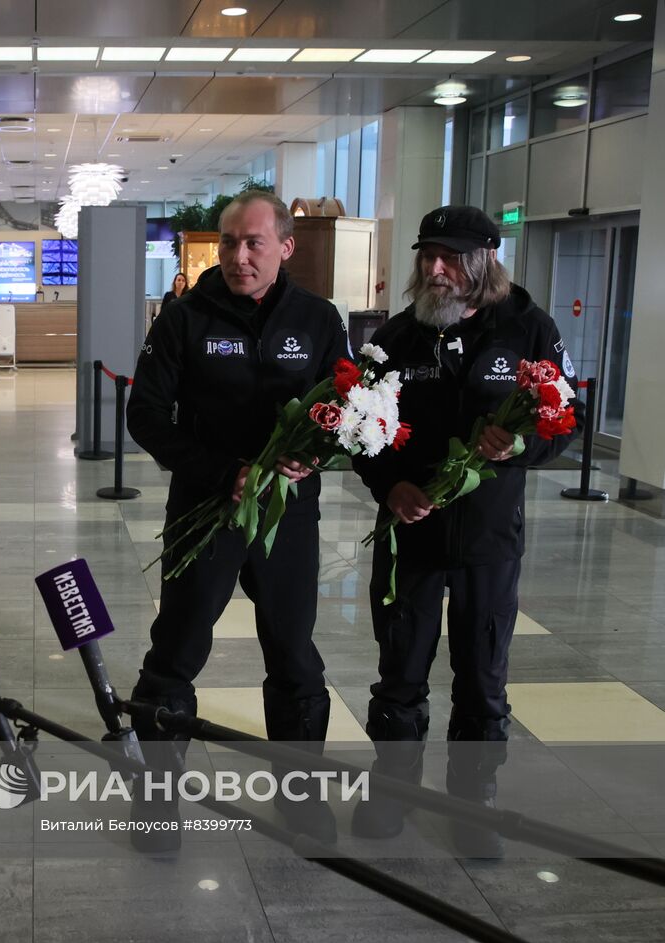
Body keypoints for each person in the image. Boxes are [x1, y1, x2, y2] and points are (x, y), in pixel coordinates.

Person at [350, 206, 581, 856]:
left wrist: (520, 450)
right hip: (410, 533)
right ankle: (394, 790)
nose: (435, 268)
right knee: (400, 671)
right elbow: (359, 427)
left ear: (483, 260)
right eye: (428, 256)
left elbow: (568, 419)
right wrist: (387, 483)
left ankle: (471, 801)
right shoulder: (397, 336)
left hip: (488, 539)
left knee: (483, 678)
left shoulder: (528, 328)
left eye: (449, 257)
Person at [126, 190, 351, 846]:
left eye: (254, 242)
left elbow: (345, 408)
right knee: (176, 654)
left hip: (288, 517)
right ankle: (158, 801)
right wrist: (226, 472)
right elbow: (146, 417)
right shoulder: (184, 318)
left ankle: (301, 798)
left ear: (286, 245)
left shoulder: (317, 319)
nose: (239, 256)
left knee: (295, 658)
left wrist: (318, 453)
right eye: (229, 242)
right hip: (206, 507)